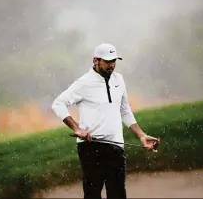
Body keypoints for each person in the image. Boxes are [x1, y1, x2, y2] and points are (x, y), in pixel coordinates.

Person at [51, 43, 160, 199]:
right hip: (91, 147)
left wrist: (141, 135)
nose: (112, 65)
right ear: (96, 60)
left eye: (114, 61)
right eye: (108, 61)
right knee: (92, 194)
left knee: (117, 194)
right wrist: (76, 128)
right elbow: (58, 103)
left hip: (116, 146)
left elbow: (124, 110)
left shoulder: (119, 80)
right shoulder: (84, 83)